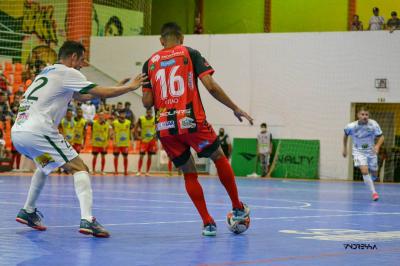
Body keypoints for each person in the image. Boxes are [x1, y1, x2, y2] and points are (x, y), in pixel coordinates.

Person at [11, 40, 147, 237]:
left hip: (19, 132)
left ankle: (28, 210)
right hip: (38, 130)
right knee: (80, 168)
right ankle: (87, 220)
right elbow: (98, 91)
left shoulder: (47, 72)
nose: (83, 64)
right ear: (73, 57)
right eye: (81, 59)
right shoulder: (69, 72)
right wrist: (130, 87)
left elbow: (81, 97)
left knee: (44, 165)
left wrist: (115, 87)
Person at [142, 22, 253, 236]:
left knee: (189, 173)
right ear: (181, 38)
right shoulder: (190, 53)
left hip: (165, 126)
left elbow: (147, 102)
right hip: (191, 121)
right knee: (218, 156)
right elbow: (210, 86)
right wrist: (235, 108)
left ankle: (208, 223)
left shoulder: (149, 63)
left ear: (161, 41)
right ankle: (237, 207)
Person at [343, 107, 384, 201]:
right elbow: (345, 136)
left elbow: (381, 137)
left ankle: (372, 178)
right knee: (364, 171)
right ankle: (374, 193)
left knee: (374, 171)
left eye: (366, 115)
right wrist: (345, 148)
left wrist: (377, 146)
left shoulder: (373, 124)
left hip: (371, 151)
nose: (365, 116)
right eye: (362, 114)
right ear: (358, 115)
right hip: (358, 151)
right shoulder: (351, 126)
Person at [135, 108, 157, 176]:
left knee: (149, 156)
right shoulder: (141, 119)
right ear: (146, 112)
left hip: (151, 141)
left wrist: (156, 135)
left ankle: (147, 172)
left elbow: (158, 128)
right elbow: (135, 128)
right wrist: (137, 136)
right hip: (144, 141)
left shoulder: (155, 119)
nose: (149, 113)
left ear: (152, 112)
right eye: (148, 112)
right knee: (141, 156)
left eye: (150, 112)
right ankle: (139, 171)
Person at [112, 111, 133, 175]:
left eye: (124, 113)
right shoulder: (115, 122)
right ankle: (116, 171)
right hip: (117, 143)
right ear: (119, 114)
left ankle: (125, 171)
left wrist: (132, 140)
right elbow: (113, 132)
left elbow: (130, 132)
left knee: (125, 157)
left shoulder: (128, 122)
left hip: (125, 143)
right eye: (121, 113)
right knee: (116, 157)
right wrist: (113, 141)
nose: (123, 115)